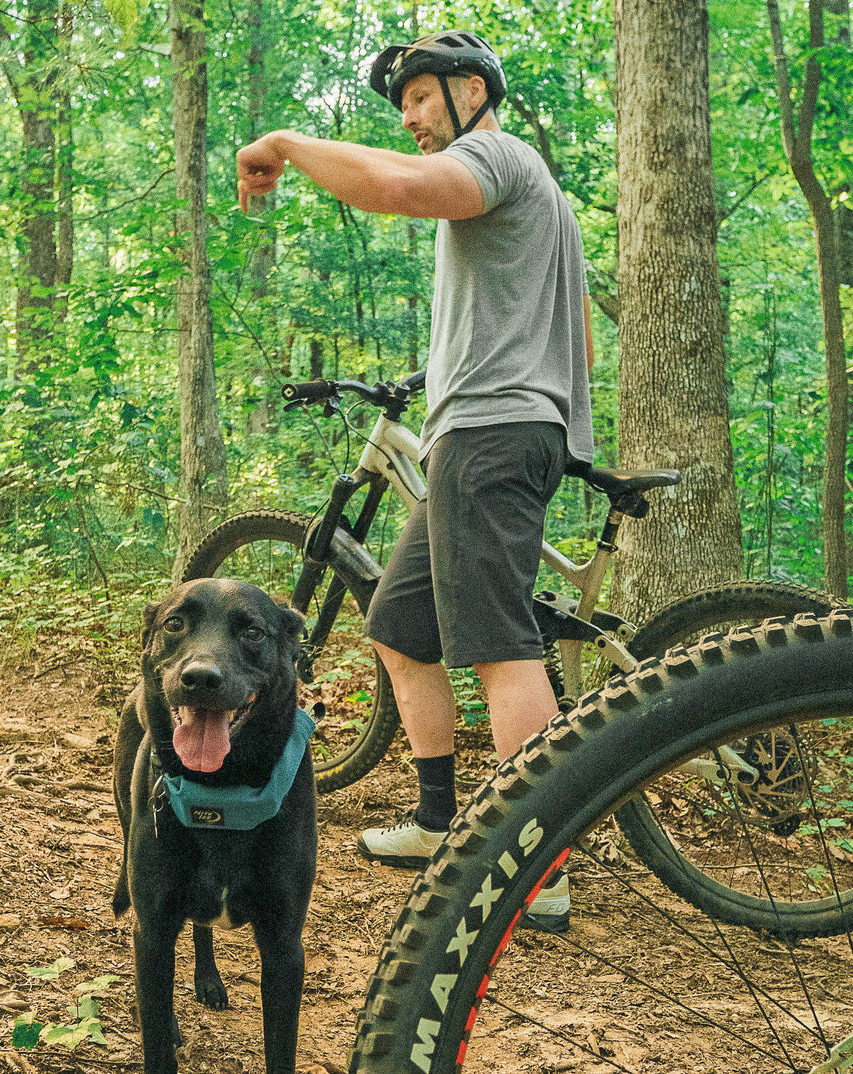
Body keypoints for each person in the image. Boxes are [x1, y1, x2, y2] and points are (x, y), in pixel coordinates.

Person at [237, 30, 594, 930]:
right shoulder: (540, 196)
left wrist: (285, 144)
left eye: (420, 98)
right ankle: (442, 819)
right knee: (400, 624)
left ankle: (539, 863)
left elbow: (394, 187)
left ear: (472, 89)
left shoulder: (499, 157)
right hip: (487, 431)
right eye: (401, 105)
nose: (409, 118)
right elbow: (578, 328)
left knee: (498, 643)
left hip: (494, 433)